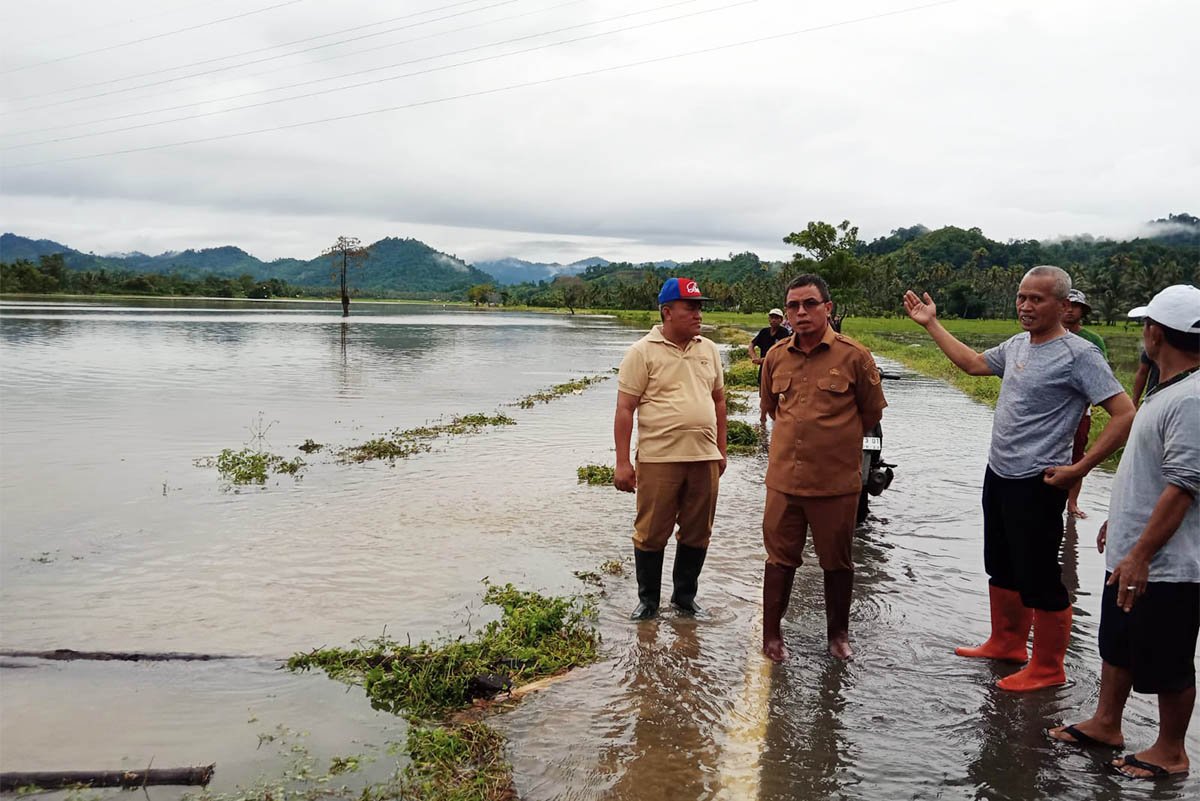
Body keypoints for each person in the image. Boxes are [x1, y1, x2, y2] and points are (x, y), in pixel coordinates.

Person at [902, 265, 1135, 691]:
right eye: (1021, 297)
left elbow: (1125, 414)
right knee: (1002, 564)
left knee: (1040, 574)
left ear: (1064, 306)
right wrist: (931, 323)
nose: (1026, 306)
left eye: (1037, 299)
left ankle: (1048, 667)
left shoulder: (1080, 354)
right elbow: (972, 364)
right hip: (1000, 472)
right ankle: (1006, 643)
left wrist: (1079, 468)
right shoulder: (1017, 346)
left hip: (1039, 481)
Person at [1047, 284, 1200, 780]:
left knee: (1169, 659)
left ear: (1156, 333)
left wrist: (1142, 553)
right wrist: (1122, 523)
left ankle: (1171, 751)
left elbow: (1183, 487)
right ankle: (1106, 722)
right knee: (1117, 642)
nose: (1142, 334)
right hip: (1135, 549)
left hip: (1169, 564)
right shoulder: (1168, 387)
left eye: (1143, 326)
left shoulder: (1193, 399)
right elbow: (1152, 472)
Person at [759, 274, 887, 662]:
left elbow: (871, 413)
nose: (801, 312)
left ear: (827, 308)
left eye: (809, 304)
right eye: (794, 305)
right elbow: (770, 406)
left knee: (838, 562)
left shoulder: (854, 356)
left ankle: (838, 637)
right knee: (779, 561)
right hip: (784, 482)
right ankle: (771, 637)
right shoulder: (776, 356)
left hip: (835, 484)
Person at [614, 277, 728, 620]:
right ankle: (648, 602)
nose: (698, 314)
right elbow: (624, 409)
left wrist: (722, 449)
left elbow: (719, 401)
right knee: (651, 532)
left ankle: (683, 598)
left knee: (698, 531)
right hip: (658, 458)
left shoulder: (708, 349)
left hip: (704, 457)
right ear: (667, 312)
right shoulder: (641, 352)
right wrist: (622, 462)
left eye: (699, 307)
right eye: (690, 307)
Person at [1062, 288, 1108, 519]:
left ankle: (1072, 502)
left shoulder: (1093, 340)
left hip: (1081, 410)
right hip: (1052, 411)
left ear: (1082, 311)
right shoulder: (1044, 334)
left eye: (1075, 306)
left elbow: (1102, 376)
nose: (1070, 310)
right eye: (1066, 304)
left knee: (1076, 456)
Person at [749, 308, 791, 423]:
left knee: (777, 393)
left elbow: (784, 352)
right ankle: (763, 418)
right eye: (772, 318)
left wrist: (765, 360)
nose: (774, 320)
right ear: (769, 319)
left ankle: (777, 420)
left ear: (781, 320)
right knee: (763, 394)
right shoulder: (764, 332)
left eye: (776, 318)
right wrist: (754, 357)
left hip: (778, 368)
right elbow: (752, 344)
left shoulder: (784, 333)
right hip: (764, 369)